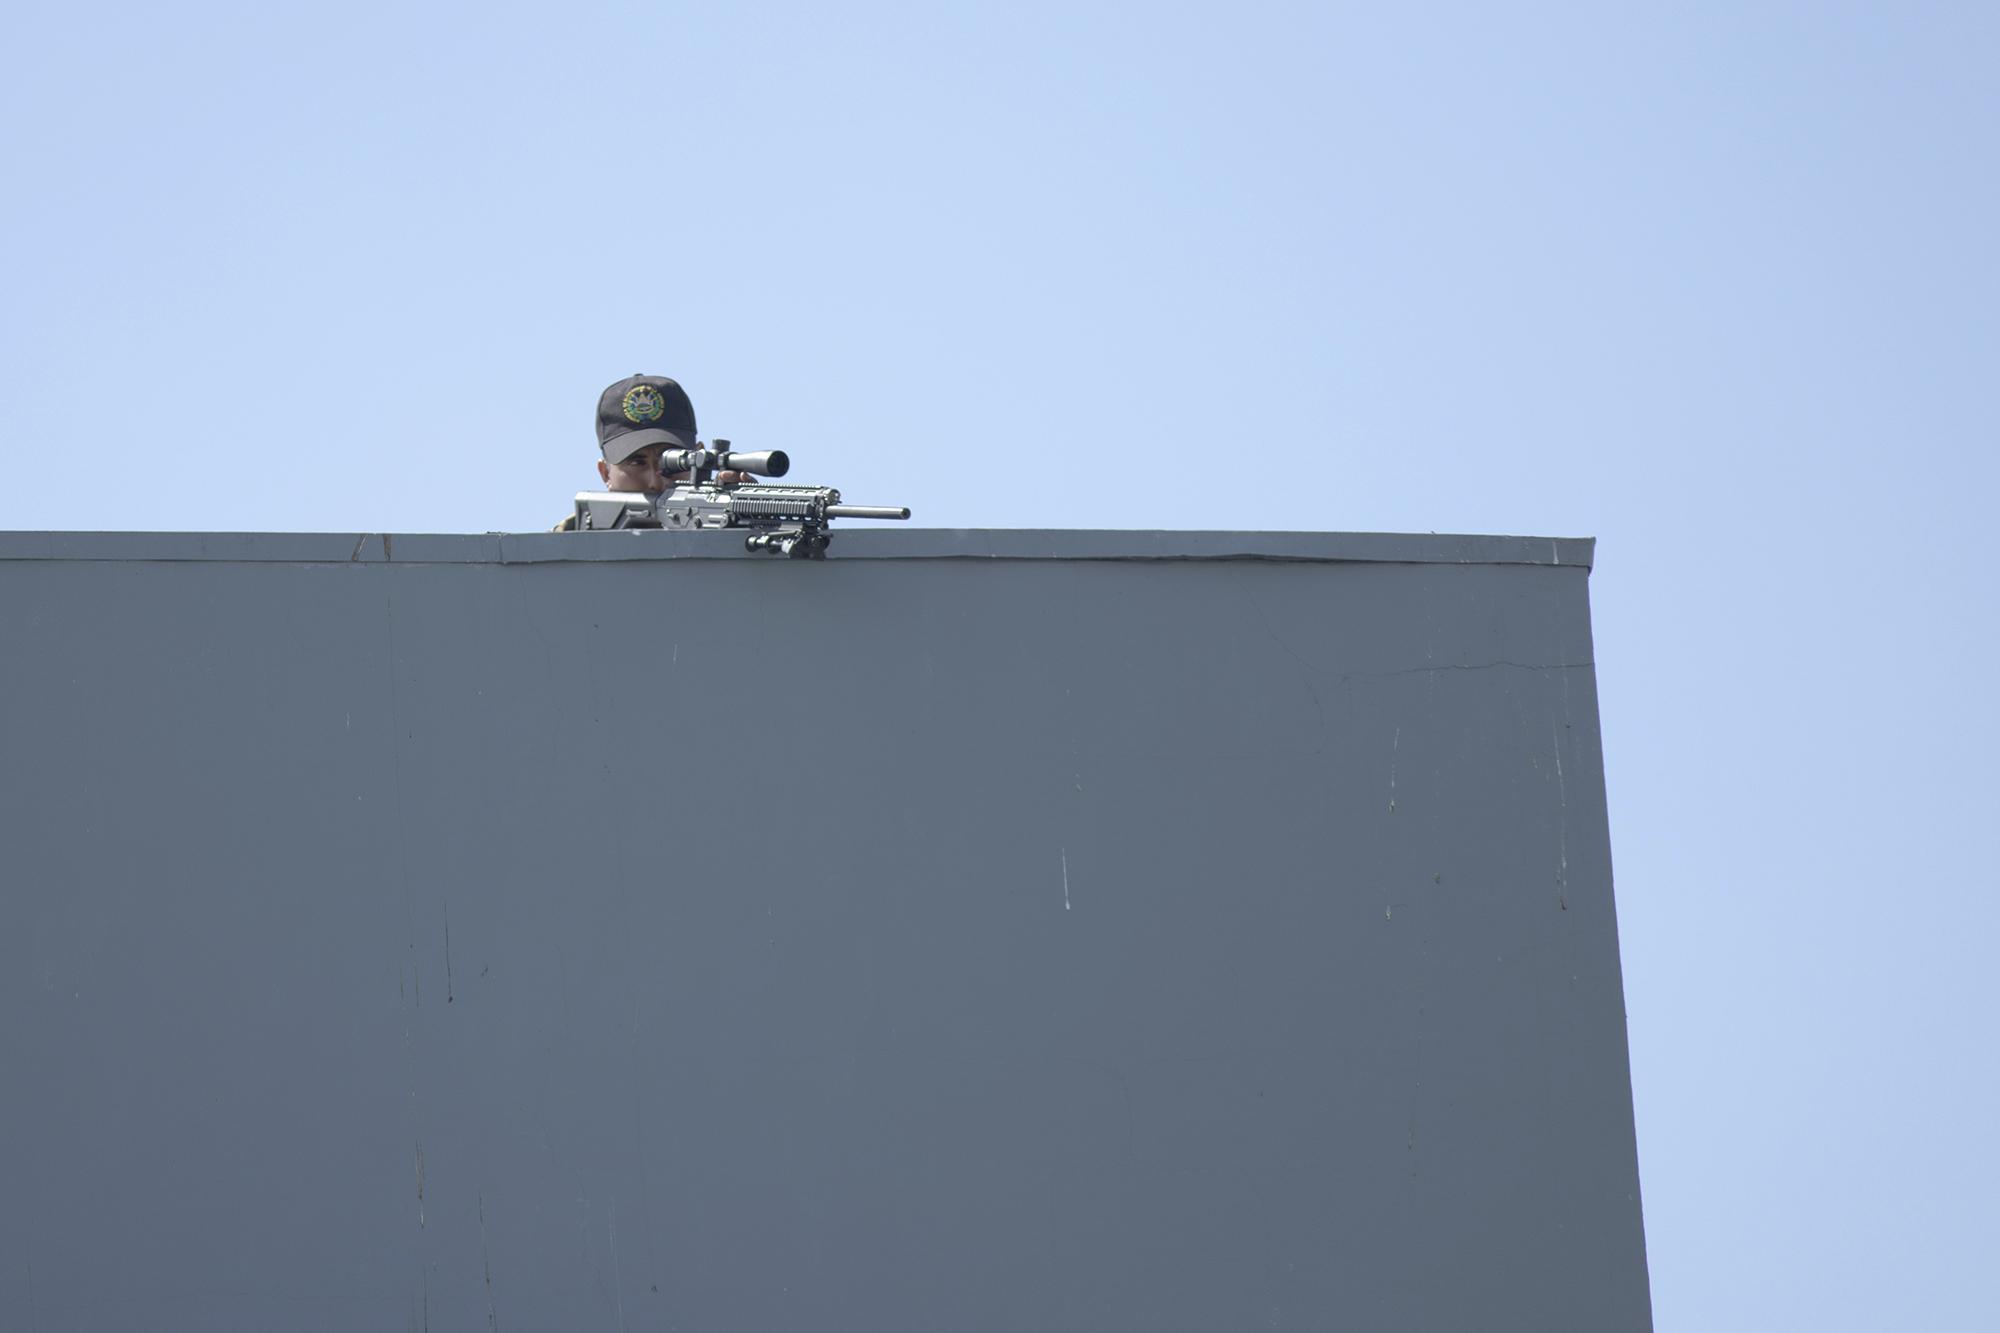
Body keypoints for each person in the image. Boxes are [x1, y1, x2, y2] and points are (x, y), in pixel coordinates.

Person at [554, 374, 752, 530]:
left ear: (700, 460)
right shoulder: (568, 548)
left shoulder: (725, 527)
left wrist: (748, 523)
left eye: (672, 461)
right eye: (637, 463)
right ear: (605, 473)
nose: (655, 483)